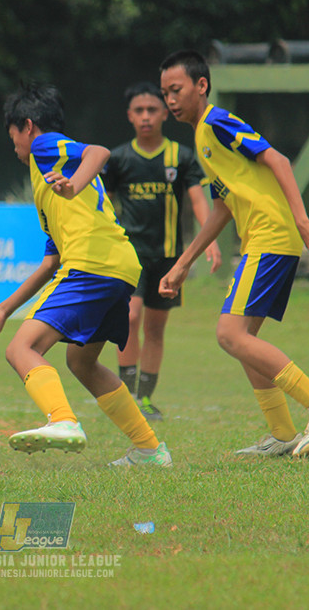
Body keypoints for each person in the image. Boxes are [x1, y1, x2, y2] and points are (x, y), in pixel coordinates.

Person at [157, 50, 309, 457]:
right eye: (165, 93)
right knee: (245, 338)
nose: (170, 100)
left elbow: (276, 159)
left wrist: (302, 222)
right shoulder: (201, 137)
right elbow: (224, 206)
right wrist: (183, 263)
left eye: (176, 90)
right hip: (260, 239)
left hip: (271, 236)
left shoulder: (217, 121)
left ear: (201, 86)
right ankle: (282, 434)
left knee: (229, 334)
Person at [0, 82, 171, 467]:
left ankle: (62, 420)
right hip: (119, 266)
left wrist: (73, 185)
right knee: (82, 362)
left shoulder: (45, 147)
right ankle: (149, 449)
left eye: (12, 132)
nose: (12, 142)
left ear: (27, 126)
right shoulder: (47, 179)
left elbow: (98, 151)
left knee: (21, 349)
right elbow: (50, 262)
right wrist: (5, 309)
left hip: (93, 264)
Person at [101, 81, 222, 421]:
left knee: (155, 328)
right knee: (130, 317)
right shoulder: (119, 158)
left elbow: (198, 198)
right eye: (139, 111)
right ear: (129, 116)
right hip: (130, 256)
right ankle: (125, 393)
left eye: (152, 110)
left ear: (165, 114)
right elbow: (106, 205)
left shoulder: (180, 157)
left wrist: (209, 238)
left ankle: (144, 399)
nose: (145, 116)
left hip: (170, 257)